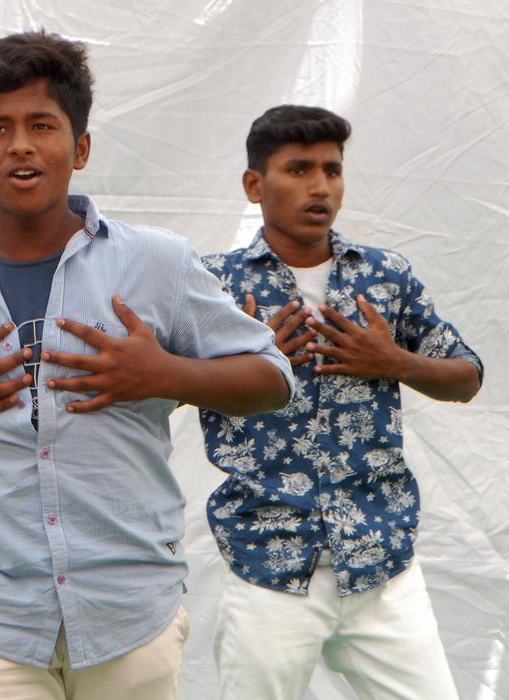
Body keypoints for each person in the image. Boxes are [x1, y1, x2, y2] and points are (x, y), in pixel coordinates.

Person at [0, 31, 293, 700]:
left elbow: (272, 380)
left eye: (43, 125)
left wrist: (167, 376)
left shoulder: (157, 263)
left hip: (130, 615)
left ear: (82, 147)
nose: (21, 145)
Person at [198, 104, 483, 699]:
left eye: (332, 169)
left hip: (382, 563)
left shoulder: (384, 277)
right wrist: (240, 370)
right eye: (298, 169)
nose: (320, 186)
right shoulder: (216, 286)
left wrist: (396, 363)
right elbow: (155, 389)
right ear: (254, 185)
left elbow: (467, 376)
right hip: (270, 564)